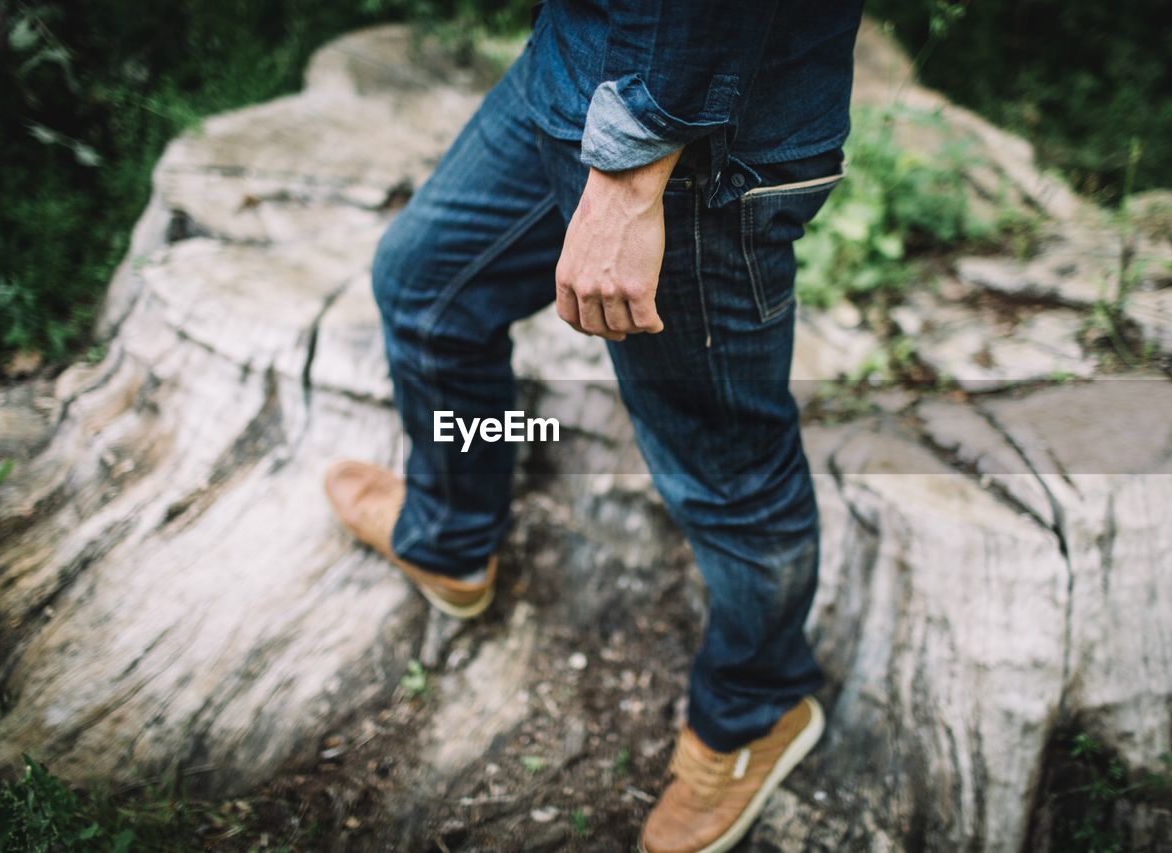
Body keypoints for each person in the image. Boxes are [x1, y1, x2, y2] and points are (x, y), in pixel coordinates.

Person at [324, 1, 865, 849]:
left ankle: (759, 707)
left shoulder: (653, 144)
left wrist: (630, 172)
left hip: (691, 135)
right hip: (576, 67)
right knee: (428, 292)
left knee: (726, 465)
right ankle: (452, 534)